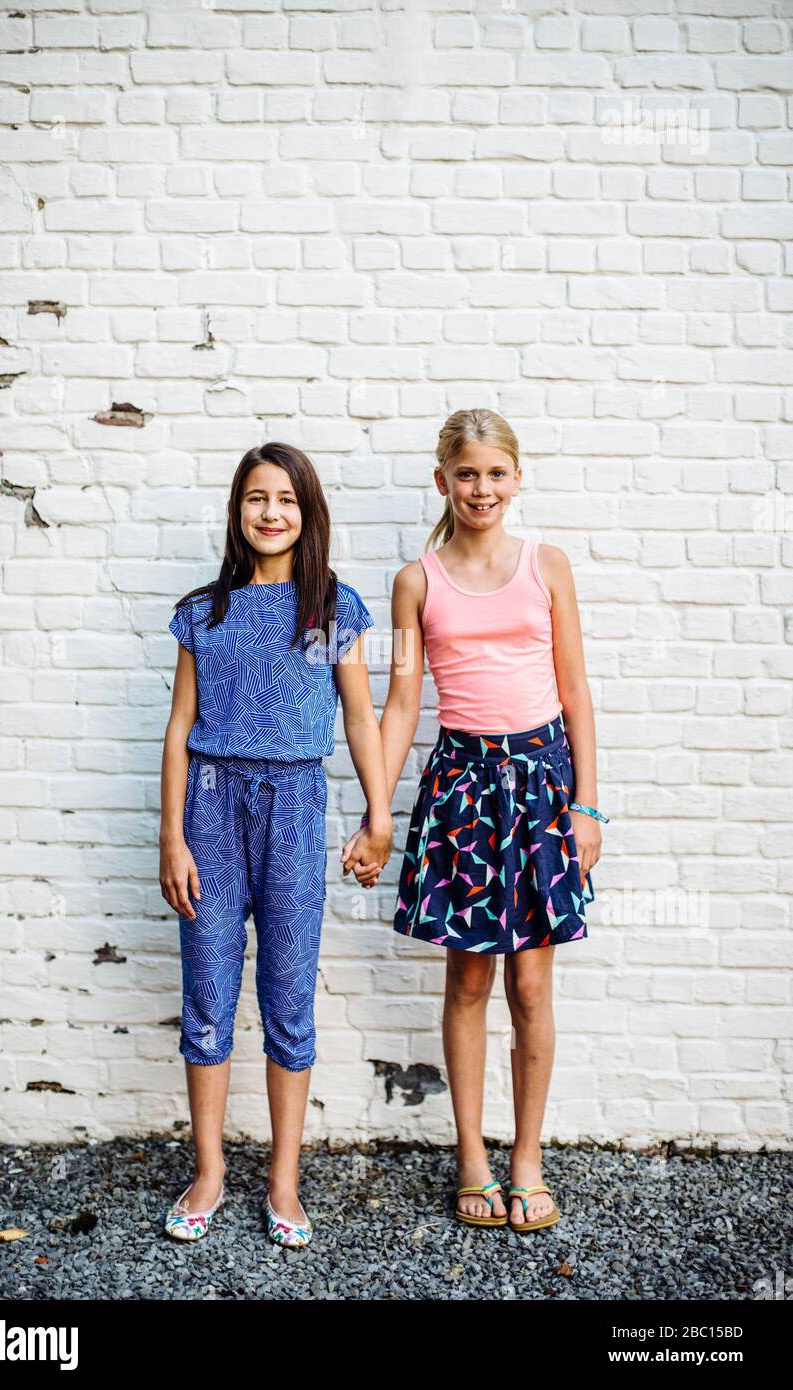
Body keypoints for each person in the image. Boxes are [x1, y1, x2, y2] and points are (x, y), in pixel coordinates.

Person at [343, 408, 607, 1233]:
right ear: (443, 482)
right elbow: (401, 705)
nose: (481, 488)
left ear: (517, 478)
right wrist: (377, 808)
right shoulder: (417, 581)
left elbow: (575, 692)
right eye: (467, 474)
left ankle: (527, 1157)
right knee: (467, 979)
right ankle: (472, 1157)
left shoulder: (548, 566)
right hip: (461, 783)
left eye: (496, 473)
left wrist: (588, 804)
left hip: (539, 785)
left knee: (531, 983)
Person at [161, 441, 391, 1246]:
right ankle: (211, 1168)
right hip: (212, 807)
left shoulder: (328, 609)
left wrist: (378, 811)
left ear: (307, 511)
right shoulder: (205, 612)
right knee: (208, 992)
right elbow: (182, 725)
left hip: (294, 802)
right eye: (256, 498)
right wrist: (171, 835)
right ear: (238, 510)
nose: (270, 512)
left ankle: (284, 1180)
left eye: (286, 499)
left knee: (289, 998)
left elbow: (359, 716)